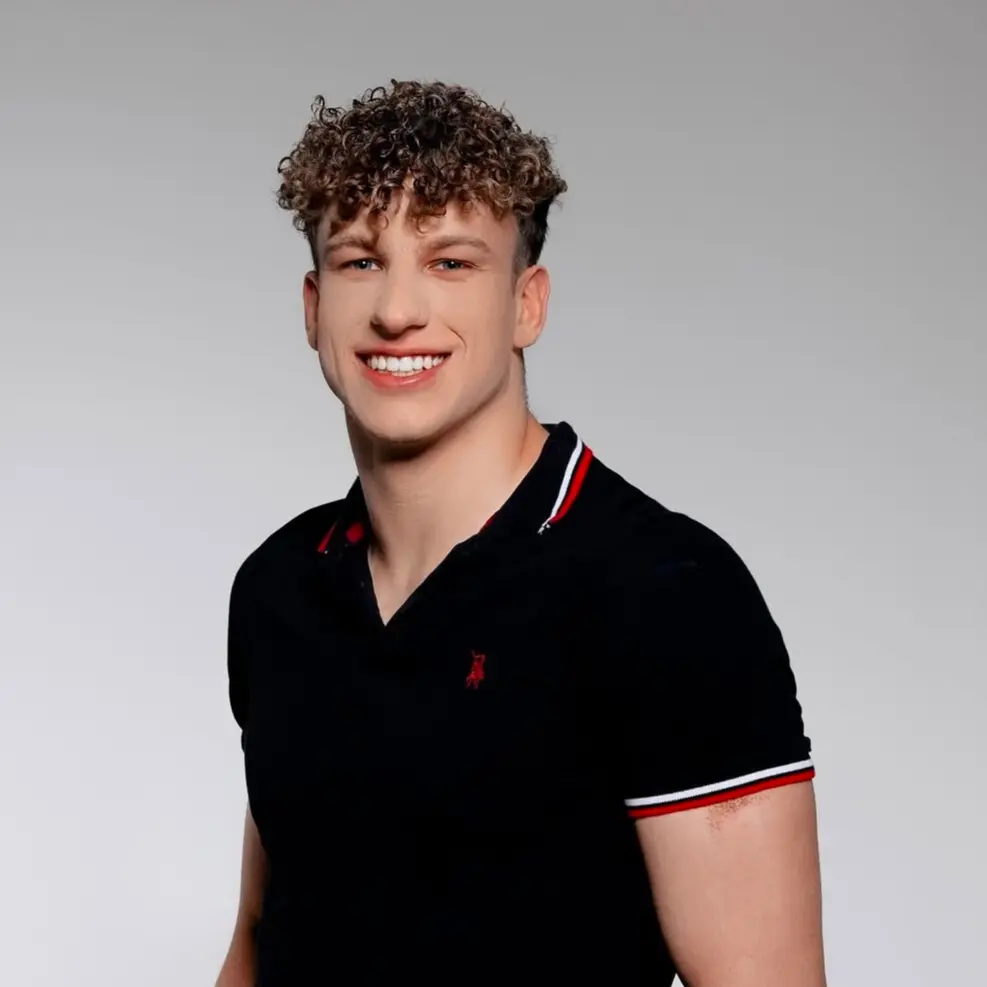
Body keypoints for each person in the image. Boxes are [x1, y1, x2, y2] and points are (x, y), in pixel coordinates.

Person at [215, 79, 826, 987]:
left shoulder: (666, 591)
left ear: (526, 304)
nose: (396, 310)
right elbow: (260, 943)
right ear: (313, 307)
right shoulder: (278, 587)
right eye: (360, 261)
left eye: (451, 262)